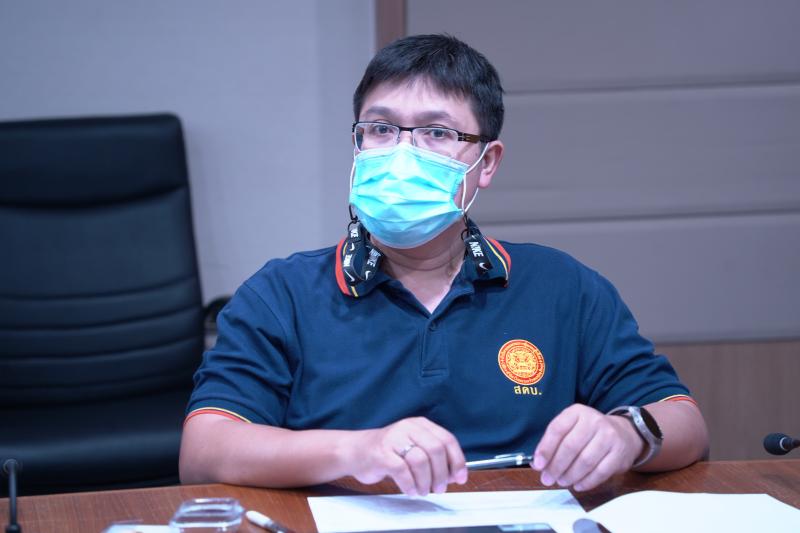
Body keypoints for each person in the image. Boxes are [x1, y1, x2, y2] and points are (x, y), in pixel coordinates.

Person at [179, 34, 708, 497]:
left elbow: (684, 423)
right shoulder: (282, 294)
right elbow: (204, 451)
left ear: (486, 163)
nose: (401, 153)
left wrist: (626, 434)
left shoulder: (562, 286)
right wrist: (358, 451)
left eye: (436, 133)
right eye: (381, 129)